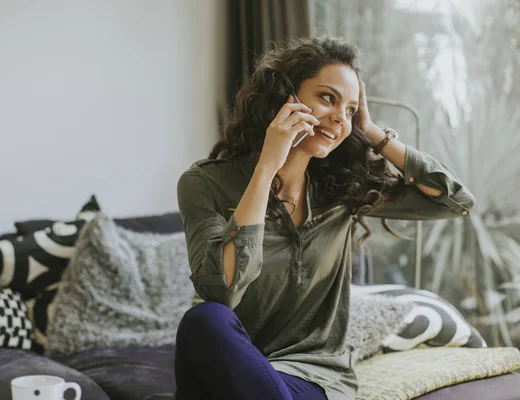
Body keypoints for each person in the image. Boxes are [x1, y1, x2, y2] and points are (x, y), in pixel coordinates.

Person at [174, 36, 475, 400]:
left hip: (310, 375)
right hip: (229, 367)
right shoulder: (204, 183)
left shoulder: (342, 189)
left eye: (350, 110)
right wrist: (267, 167)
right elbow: (222, 290)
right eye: (327, 98)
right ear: (283, 98)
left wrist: (375, 134)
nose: (338, 118)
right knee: (205, 319)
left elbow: (454, 201)